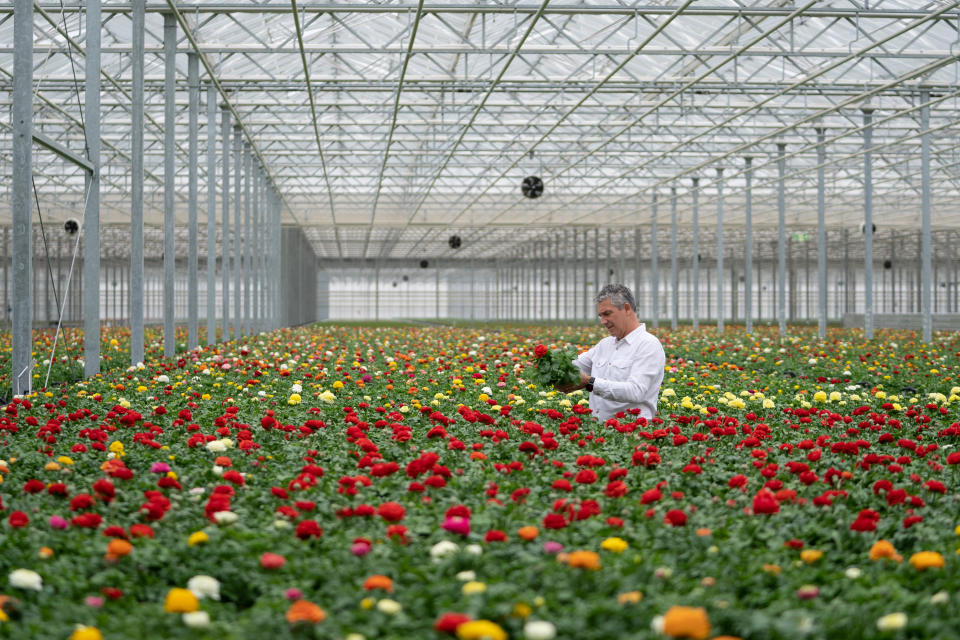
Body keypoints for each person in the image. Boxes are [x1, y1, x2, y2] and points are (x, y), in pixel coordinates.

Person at [557, 284, 665, 422]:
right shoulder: (605, 345)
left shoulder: (648, 345)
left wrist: (590, 382)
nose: (602, 321)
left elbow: (636, 391)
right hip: (599, 433)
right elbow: (574, 366)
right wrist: (552, 368)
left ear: (626, 309)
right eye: (600, 316)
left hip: (632, 434)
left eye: (607, 314)